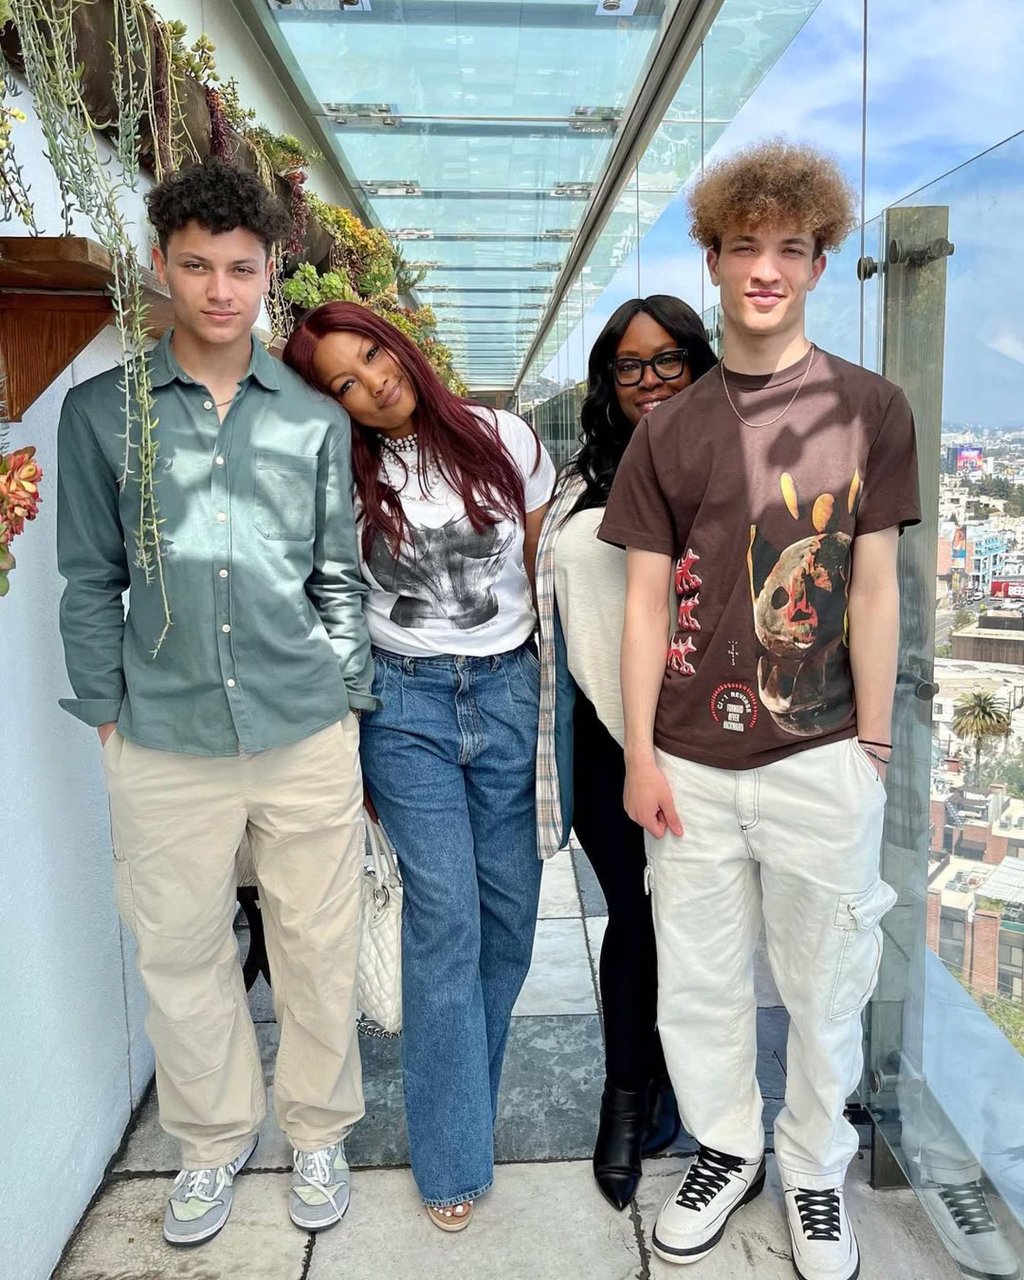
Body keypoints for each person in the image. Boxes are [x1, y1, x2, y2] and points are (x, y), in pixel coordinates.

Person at [600, 140, 921, 1280]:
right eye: (746, 246)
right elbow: (644, 604)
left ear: (821, 263)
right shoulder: (666, 431)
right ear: (714, 258)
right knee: (696, 982)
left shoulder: (871, 408)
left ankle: (814, 1169)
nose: (767, 268)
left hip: (821, 753)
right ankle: (728, 1149)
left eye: (791, 247)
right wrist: (640, 754)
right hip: (688, 761)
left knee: (827, 985)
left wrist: (871, 744)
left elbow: (874, 586)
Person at [56, 158, 374, 1246]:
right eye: (196, 266)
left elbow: (337, 574)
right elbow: (88, 575)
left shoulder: (314, 420)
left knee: (317, 944)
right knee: (179, 946)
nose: (220, 289)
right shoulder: (102, 414)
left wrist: (347, 696)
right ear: (161, 265)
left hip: (304, 726)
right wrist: (107, 706)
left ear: (269, 269)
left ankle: (319, 1130)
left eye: (241, 267)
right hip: (162, 733)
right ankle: (210, 1139)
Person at [283, 302, 555, 1231]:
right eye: (343, 383)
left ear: (396, 342)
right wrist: (347, 728)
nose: (372, 382)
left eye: (371, 354)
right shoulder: (340, 474)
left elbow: (541, 573)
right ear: (332, 404)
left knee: (509, 918)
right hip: (405, 706)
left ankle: (462, 1106)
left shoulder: (504, 438)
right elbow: (330, 601)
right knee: (445, 924)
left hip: (509, 692)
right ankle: (452, 1156)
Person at [534, 297, 718, 1209]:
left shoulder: (731, 461)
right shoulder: (580, 476)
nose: (650, 380)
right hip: (607, 739)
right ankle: (628, 1093)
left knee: (699, 922)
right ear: (609, 379)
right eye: (630, 365)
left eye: (668, 360)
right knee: (636, 915)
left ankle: (690, 1085)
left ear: (698, 363)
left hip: (710, 737)